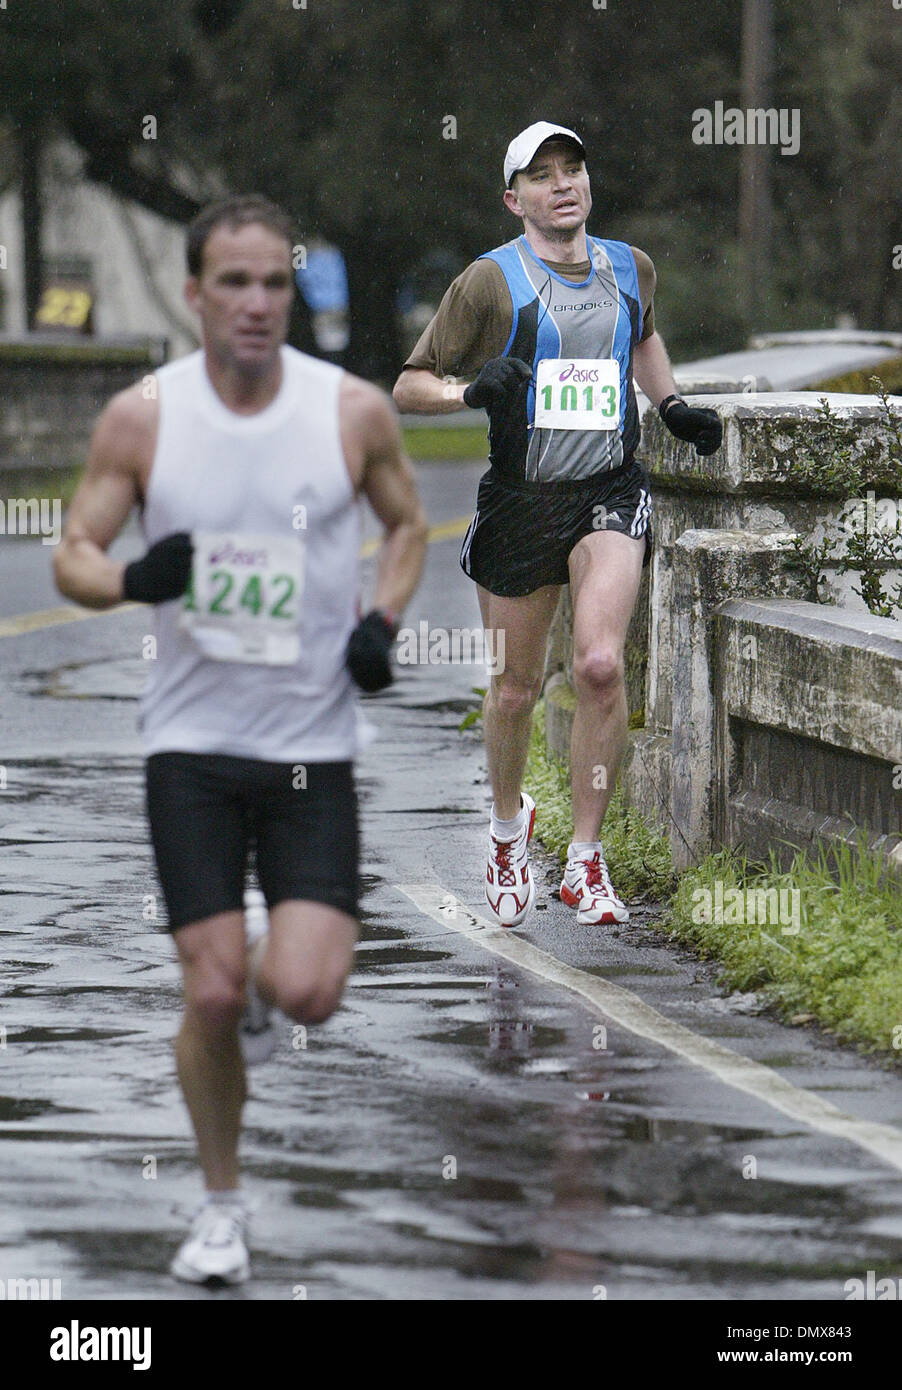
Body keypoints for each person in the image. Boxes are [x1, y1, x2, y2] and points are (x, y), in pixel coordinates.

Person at [53, 194, 428, 1284]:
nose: (258, 304)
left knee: (306, 991)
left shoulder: (350, 410)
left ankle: (268, 995)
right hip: (192, 746)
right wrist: (129, 577)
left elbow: (406, 526)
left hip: (312, 744)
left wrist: (380, 621)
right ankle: (221, 1207)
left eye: (276, 283)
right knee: (208, 992)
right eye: (235, 283)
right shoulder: (144, 415)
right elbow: (73, 546)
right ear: (195, 295)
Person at [393, 121, 721, 929]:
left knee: (602, 666)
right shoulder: (488, 283)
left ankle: (584, 859)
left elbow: (640, 334)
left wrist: (670, 404)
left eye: (573, 169)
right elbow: (409, 386)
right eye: (542, 176)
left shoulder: (629, 266)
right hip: (520, 498)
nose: (563, 184)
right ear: (516, 199)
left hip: (608, 489)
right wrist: (470, 393)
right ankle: (508, 830)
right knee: (514, 689)